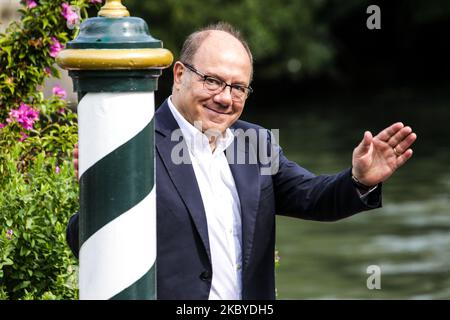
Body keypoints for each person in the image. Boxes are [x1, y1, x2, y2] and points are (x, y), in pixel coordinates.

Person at [66, 22, 417, 300]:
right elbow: (87, 243)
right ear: (178, 75)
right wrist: (101, 189)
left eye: (238, 88)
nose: (225, 97)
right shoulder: (134, 145)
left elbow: (313, 197)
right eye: (213, 81)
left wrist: (359, 180)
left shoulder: (255, 142)